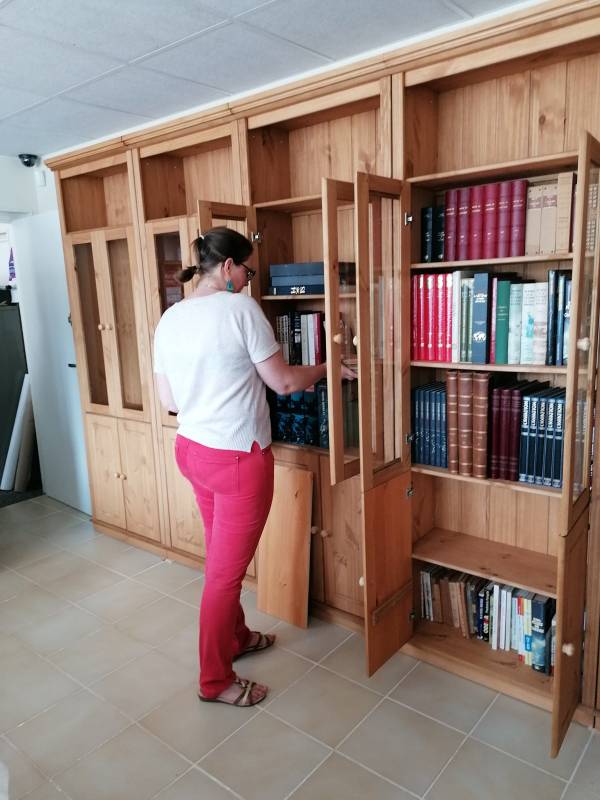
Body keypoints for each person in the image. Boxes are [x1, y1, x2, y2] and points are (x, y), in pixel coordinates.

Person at [153, 226, 356, 707]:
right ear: (227, 267)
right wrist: (331, 367)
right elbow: (284, 383)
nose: (249, 279)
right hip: (238, 459)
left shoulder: (171, 317)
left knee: (223, 562)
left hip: (192, 452)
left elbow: (170, 400)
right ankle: (214, 681)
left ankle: (237, 638)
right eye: (247, 269)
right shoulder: (241, 309)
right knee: (223, 577)